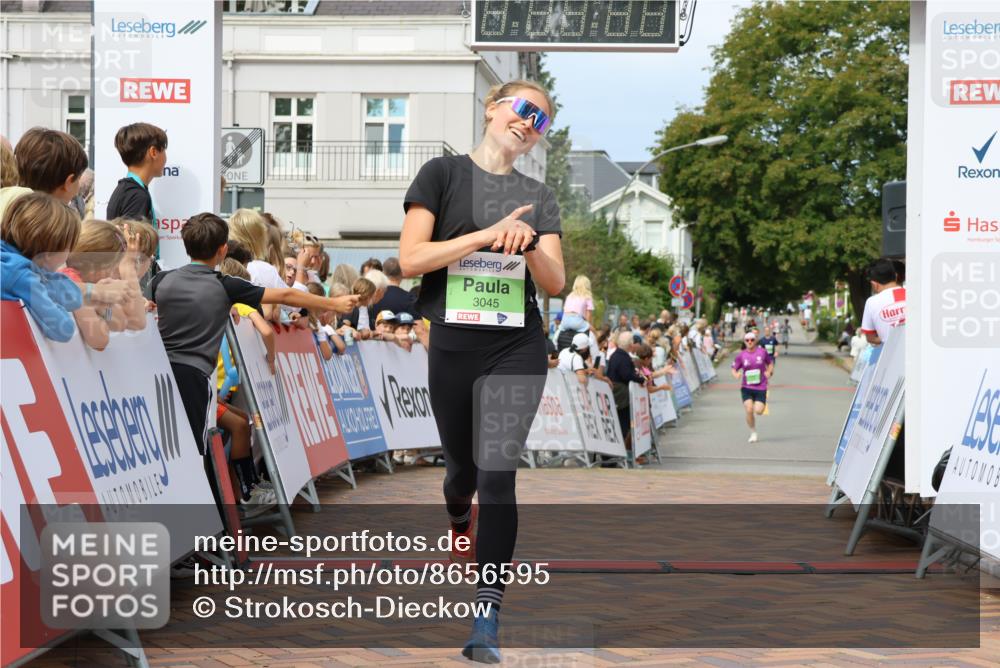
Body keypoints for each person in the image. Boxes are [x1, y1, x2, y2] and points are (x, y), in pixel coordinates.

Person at [399, 79, 563, 662]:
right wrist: (486, 235)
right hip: (453, 343)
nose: (528, 122)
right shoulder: (441, 175)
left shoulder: (538, 195)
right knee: (462, 474)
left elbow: (555, 282)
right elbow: (410, 259)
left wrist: (530, 245)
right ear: (493, 109)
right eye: (522, 109)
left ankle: (486, 616)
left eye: (540, 120)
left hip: (516, 346)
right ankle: (454, 510)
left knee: (498, 472)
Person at [149, 212, 359, 510]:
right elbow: (286, 295)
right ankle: (198, 538)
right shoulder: (224, 285)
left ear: (186, 246)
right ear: (223, 250)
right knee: (193, 457)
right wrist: (334, 304)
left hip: (158, 376)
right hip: (194, 379)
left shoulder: (161, 280)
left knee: (171, 455)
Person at [0, 192, 82, 341]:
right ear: (50, 253)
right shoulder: (21, 277)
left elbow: (74, 296)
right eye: (70, 247)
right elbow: (64, 330)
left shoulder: (11, 263)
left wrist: (44, 283)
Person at [59, 220, 146, 351]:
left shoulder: (83, 285)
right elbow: (99, 341)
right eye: (113, 267)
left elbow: (120, 322)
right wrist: (94, 298)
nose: (112, 274)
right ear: (100, 268)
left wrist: (101, 304)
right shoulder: (69, 279)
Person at [106, 123, 167, 224]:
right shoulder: (137, 196)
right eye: (164, 150)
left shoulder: (127, 190)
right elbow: (133, 240)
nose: (165, 157)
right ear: (154, 152)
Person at [12, 127, 89, 207]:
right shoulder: (63, 218)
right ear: (68, 182)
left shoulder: (9, 212)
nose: (78, 187)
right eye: (78, 178)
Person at [731, 330, 774, 443]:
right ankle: (753, 432)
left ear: (755, 341)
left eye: (752, 340)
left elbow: (770, 363)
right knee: (749, 409)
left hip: (761, 387)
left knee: (758, 411)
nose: (749, 342)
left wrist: (769, 372)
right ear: (745, 342)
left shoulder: (762, 352)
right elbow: (734, 368)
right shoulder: (741, 355)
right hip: (747, 387)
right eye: (747, 340)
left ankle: (760, 405)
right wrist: (736, 374)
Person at [860, 258, 905, 347]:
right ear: (896, 276)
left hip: (890, 357)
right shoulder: (912, 295)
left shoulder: (871, 302)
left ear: (874, 284)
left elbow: (870, 338)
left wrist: (886, 338)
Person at [555, 274, 594, 350]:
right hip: (577, 321)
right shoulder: (587, 296)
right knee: (591, 330)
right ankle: (590, 344)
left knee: (560, 330)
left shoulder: (570, 296)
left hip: (565, 321)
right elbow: (588, 315)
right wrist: (589, 325)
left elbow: (565, 310)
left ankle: (555, 338)